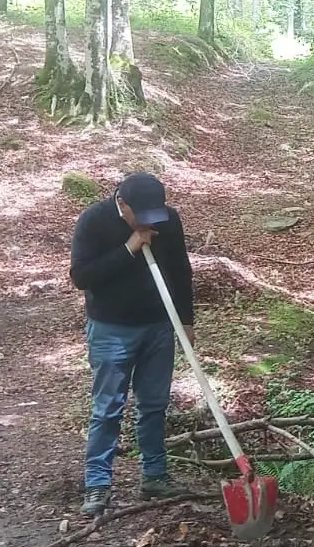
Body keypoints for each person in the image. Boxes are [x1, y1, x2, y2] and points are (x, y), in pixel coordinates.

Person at [68, 171, 194, 516]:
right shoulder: (94, 220)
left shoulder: (168, 220)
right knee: (107, 408)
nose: (149, 222)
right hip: (111, 329)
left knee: (154, 405)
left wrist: (186, 320)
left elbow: (181, 270)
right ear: (122, 203)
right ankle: (97, 485)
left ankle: (154, 476)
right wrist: (129, 248)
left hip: (158, 326)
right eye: (141, 215)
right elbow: (81, 277)